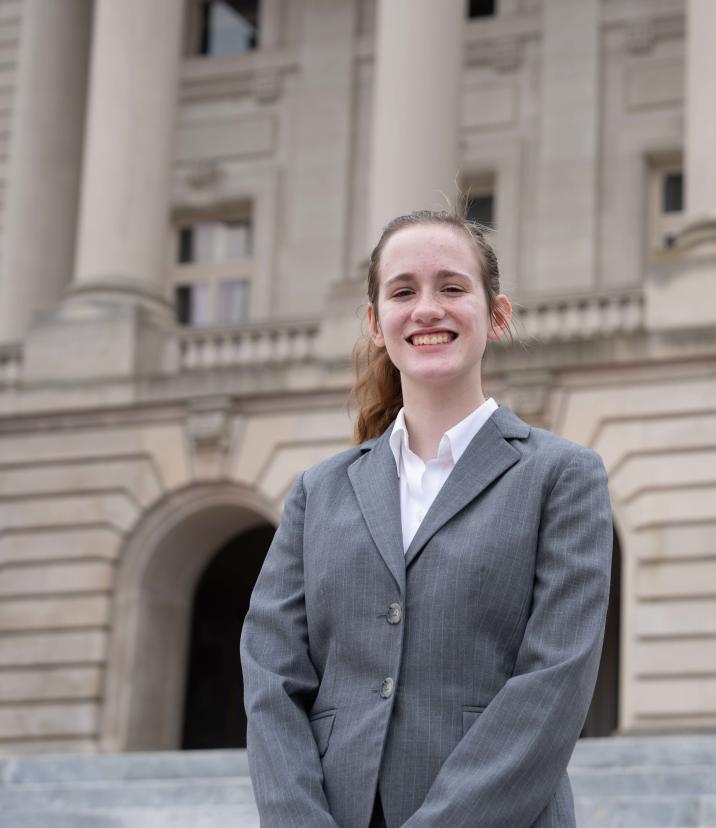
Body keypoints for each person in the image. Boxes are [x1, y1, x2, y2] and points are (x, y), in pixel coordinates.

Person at [240, 210, 613, 828]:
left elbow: (555, 681)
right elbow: (271, 677)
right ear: (375, 322)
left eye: (452, 287)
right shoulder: (319, 491)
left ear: (497, 316)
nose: (427, 309)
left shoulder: (563, 477)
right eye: (404, 291)